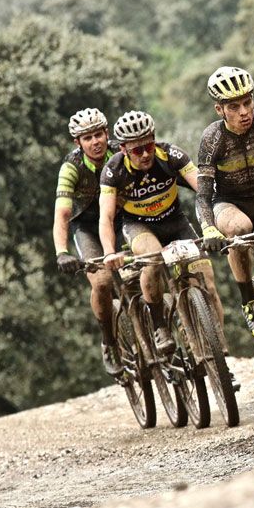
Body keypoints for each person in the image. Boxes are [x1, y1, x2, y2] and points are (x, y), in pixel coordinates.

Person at [99, 111, 227, 365]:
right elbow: (105, 217)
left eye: (148, 146)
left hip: (174, 221)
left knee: (207, 281)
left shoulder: (171, 155)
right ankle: (160, 325)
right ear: (124, 149)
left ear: (154, 139)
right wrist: (109, 252)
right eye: (137, 151)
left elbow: (204, 190)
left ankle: (218, 348)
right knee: (153, 260)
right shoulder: (113, 171)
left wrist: (213, 224)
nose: (145, 154)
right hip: (138, 226)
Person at [195, 66, 254, 343]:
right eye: (234, 106)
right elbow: (203, 195)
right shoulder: (212, 139)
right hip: (228, 203)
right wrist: (209, 229)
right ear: (219, 110)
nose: (244, 112)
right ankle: (249, 302)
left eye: (248, 102)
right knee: (240, 228)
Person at [52, 108, 122, 375]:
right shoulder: (71, 168)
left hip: (120, 221)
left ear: (106, 133)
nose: (95, 142)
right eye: (87, 138)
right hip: (88, 228)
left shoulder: (119, 154)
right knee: (102, 282)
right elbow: (62, 214)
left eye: (98, 135)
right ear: (77, 143)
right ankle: (109, 339)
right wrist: (62, 252)